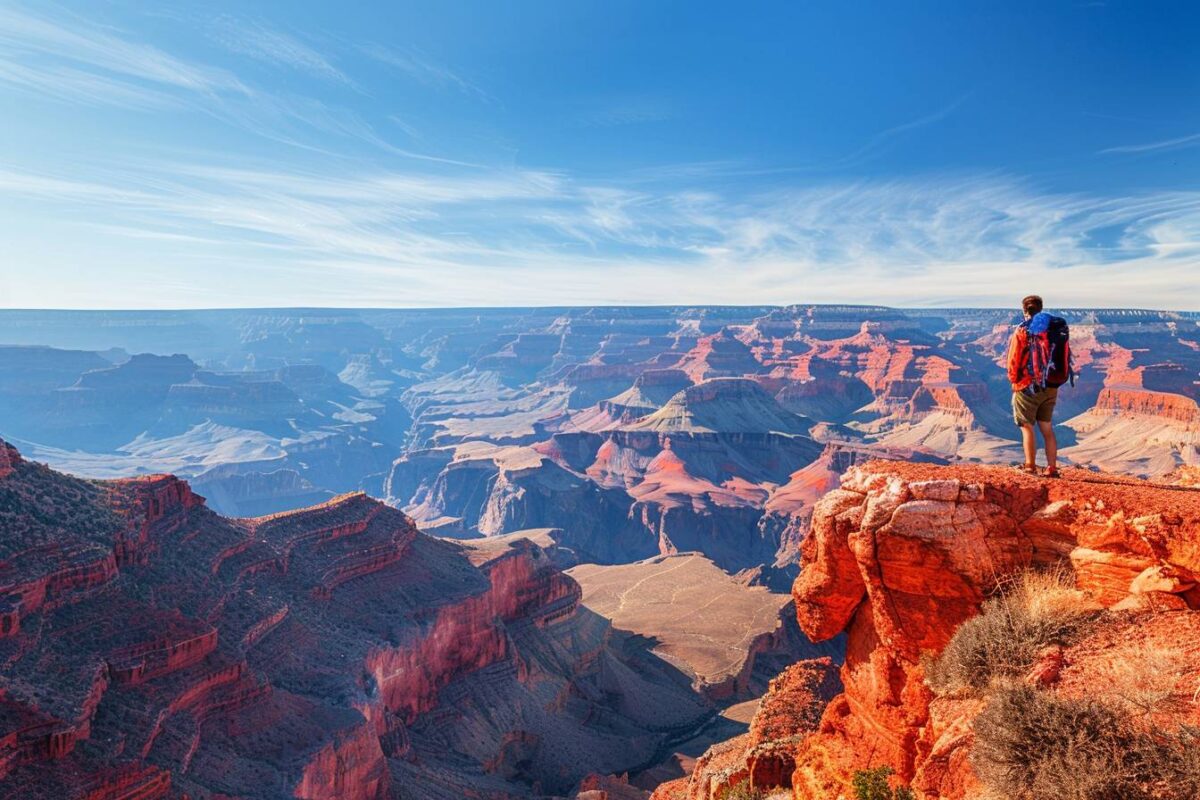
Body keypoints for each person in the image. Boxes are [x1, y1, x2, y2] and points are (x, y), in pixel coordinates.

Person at [1006, 294, 1059, 477]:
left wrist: (1014, 382)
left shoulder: (1022, 330)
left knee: (1026, 426)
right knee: (1047, 428)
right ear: (1041, 309)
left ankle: (1030, 466)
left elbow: (1014, 359)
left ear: (1024, 310)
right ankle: (1052, 468)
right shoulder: (1053, 328)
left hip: (1027, 385)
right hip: (1051, 385)